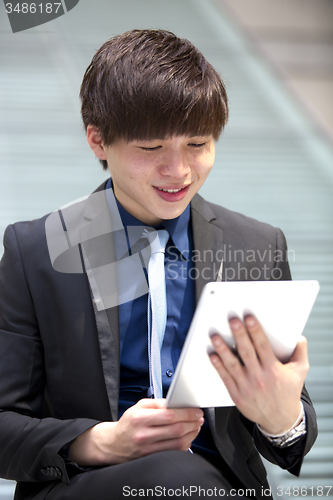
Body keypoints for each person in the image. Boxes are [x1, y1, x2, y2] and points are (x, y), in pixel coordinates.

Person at [0, 29, 317, 500]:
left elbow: (293, 443)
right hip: (86, 486)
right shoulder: (35, 251)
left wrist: (280, 416)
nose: (179, 171)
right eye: (151, 149)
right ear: (98, 141)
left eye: (198, 144)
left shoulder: (258, 245)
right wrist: (102, 442)